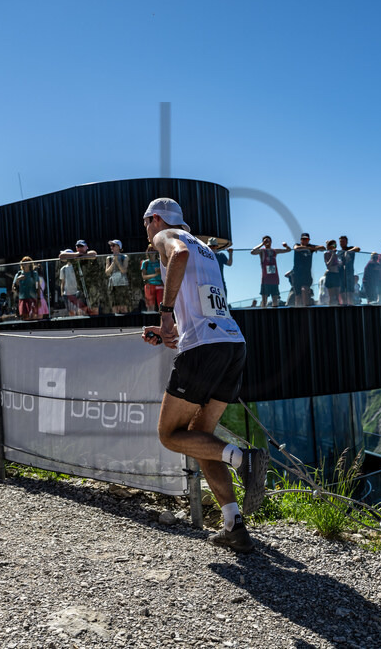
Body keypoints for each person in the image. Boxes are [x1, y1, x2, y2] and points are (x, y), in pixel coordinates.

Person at [140, 197, 268, 554]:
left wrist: (165, 314)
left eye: (145, 223)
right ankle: (234, 526)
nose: (146, 232)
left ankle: (246, 460)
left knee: (169, 434)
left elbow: (176, 255)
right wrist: (174, 329)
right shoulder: (206, 250)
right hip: (231, 343)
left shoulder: (166, 236)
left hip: (205, 348)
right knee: (200, 437)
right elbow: (204, 303)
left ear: (154, 219)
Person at [250, 236, 291, 308]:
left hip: (274, 279)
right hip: (265, 279)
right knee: (264, 300)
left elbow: (288, 250)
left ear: (271, 241)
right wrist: (262, 244)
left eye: (268, 240)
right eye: (265, 241)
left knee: (275, 300)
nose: (267, 242)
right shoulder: (262, 251)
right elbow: (252, 251)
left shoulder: (274, 251)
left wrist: (286, 245)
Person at [290, 233, 323, 307]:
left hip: (306, 274)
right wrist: (309, 248)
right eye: (303, 239)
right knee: (297, 295)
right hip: (297, 273)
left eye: (306, 239)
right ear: (301, 240)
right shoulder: (297, 245)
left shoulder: (311, 246)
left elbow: (322, 248)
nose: (304, 240)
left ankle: (306, 308)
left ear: (309, 240)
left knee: (305, 290)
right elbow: (296, 248)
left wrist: (312, 248)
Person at [105, 240, 130, 314]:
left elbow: (124, 271)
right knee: (114, 305)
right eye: (111, 245)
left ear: (119, 247)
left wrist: (117, 262)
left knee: (123, 305)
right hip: (112, 284)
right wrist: (113, 262)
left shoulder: (124, 257)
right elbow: (107, 272)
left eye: (113, 245)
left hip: (122, 283)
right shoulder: (108, 258)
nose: (111, 247)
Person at [12, 256, 40, 321]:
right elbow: (13, 288)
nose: (25, 263)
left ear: (30, 263)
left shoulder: (34, 274)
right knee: (24, 317)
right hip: (22, 298)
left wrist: (38, 298)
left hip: (32, 298)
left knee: (33, 316)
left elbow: (37, 286)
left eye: (27, 261)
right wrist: (18, 279)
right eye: (23, 261)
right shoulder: (18, 274)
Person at [337, 236, 361, 306]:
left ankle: (351, 306)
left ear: (346, 242)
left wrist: (348, 252)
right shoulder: (339, 252)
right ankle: (344, 305)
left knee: (350, 291)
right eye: (341, 242)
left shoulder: (350, 248)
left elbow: (358, 248)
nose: (342, 243)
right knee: (342, 292)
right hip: (341, 274)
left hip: (349, 273)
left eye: (343, 241)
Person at [140, 245, 163, 311]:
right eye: (150, 250)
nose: (152, 252)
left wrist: (160, 272)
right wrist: (155, 274)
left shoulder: (160, 261)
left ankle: (162, 320)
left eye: (153, 250)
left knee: (161, 306)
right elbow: (144, 276)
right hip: (149, 285)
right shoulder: (145, 263)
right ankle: (150, 320)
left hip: (159, 285)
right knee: (150, 307)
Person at [322, 240, 343, 306]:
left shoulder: (337, 255)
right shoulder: (326, 254)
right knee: (331, 297)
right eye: (333, 245)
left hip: (337, 275)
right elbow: (328, 265)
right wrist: (332, 255)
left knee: (337, 296)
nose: (335, 247)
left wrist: (340, 263)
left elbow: (339, 265)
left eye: (335, 245)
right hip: (330, 275)